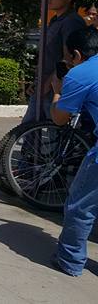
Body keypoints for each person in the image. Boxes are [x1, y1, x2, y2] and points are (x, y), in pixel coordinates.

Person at [49, 28, 98, 276]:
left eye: (69, 57)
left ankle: (70, 260)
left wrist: (58, 89)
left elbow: (59, 119)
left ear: (77, 54)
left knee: (80, 206)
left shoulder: (80, 74)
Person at [22, 0, 86, 125]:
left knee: (52, 131)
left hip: (55, 86)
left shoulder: (71, 22)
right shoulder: (56, 20)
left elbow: (68, 59)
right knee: (29, 129)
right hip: (44, 83)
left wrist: (48, 84)